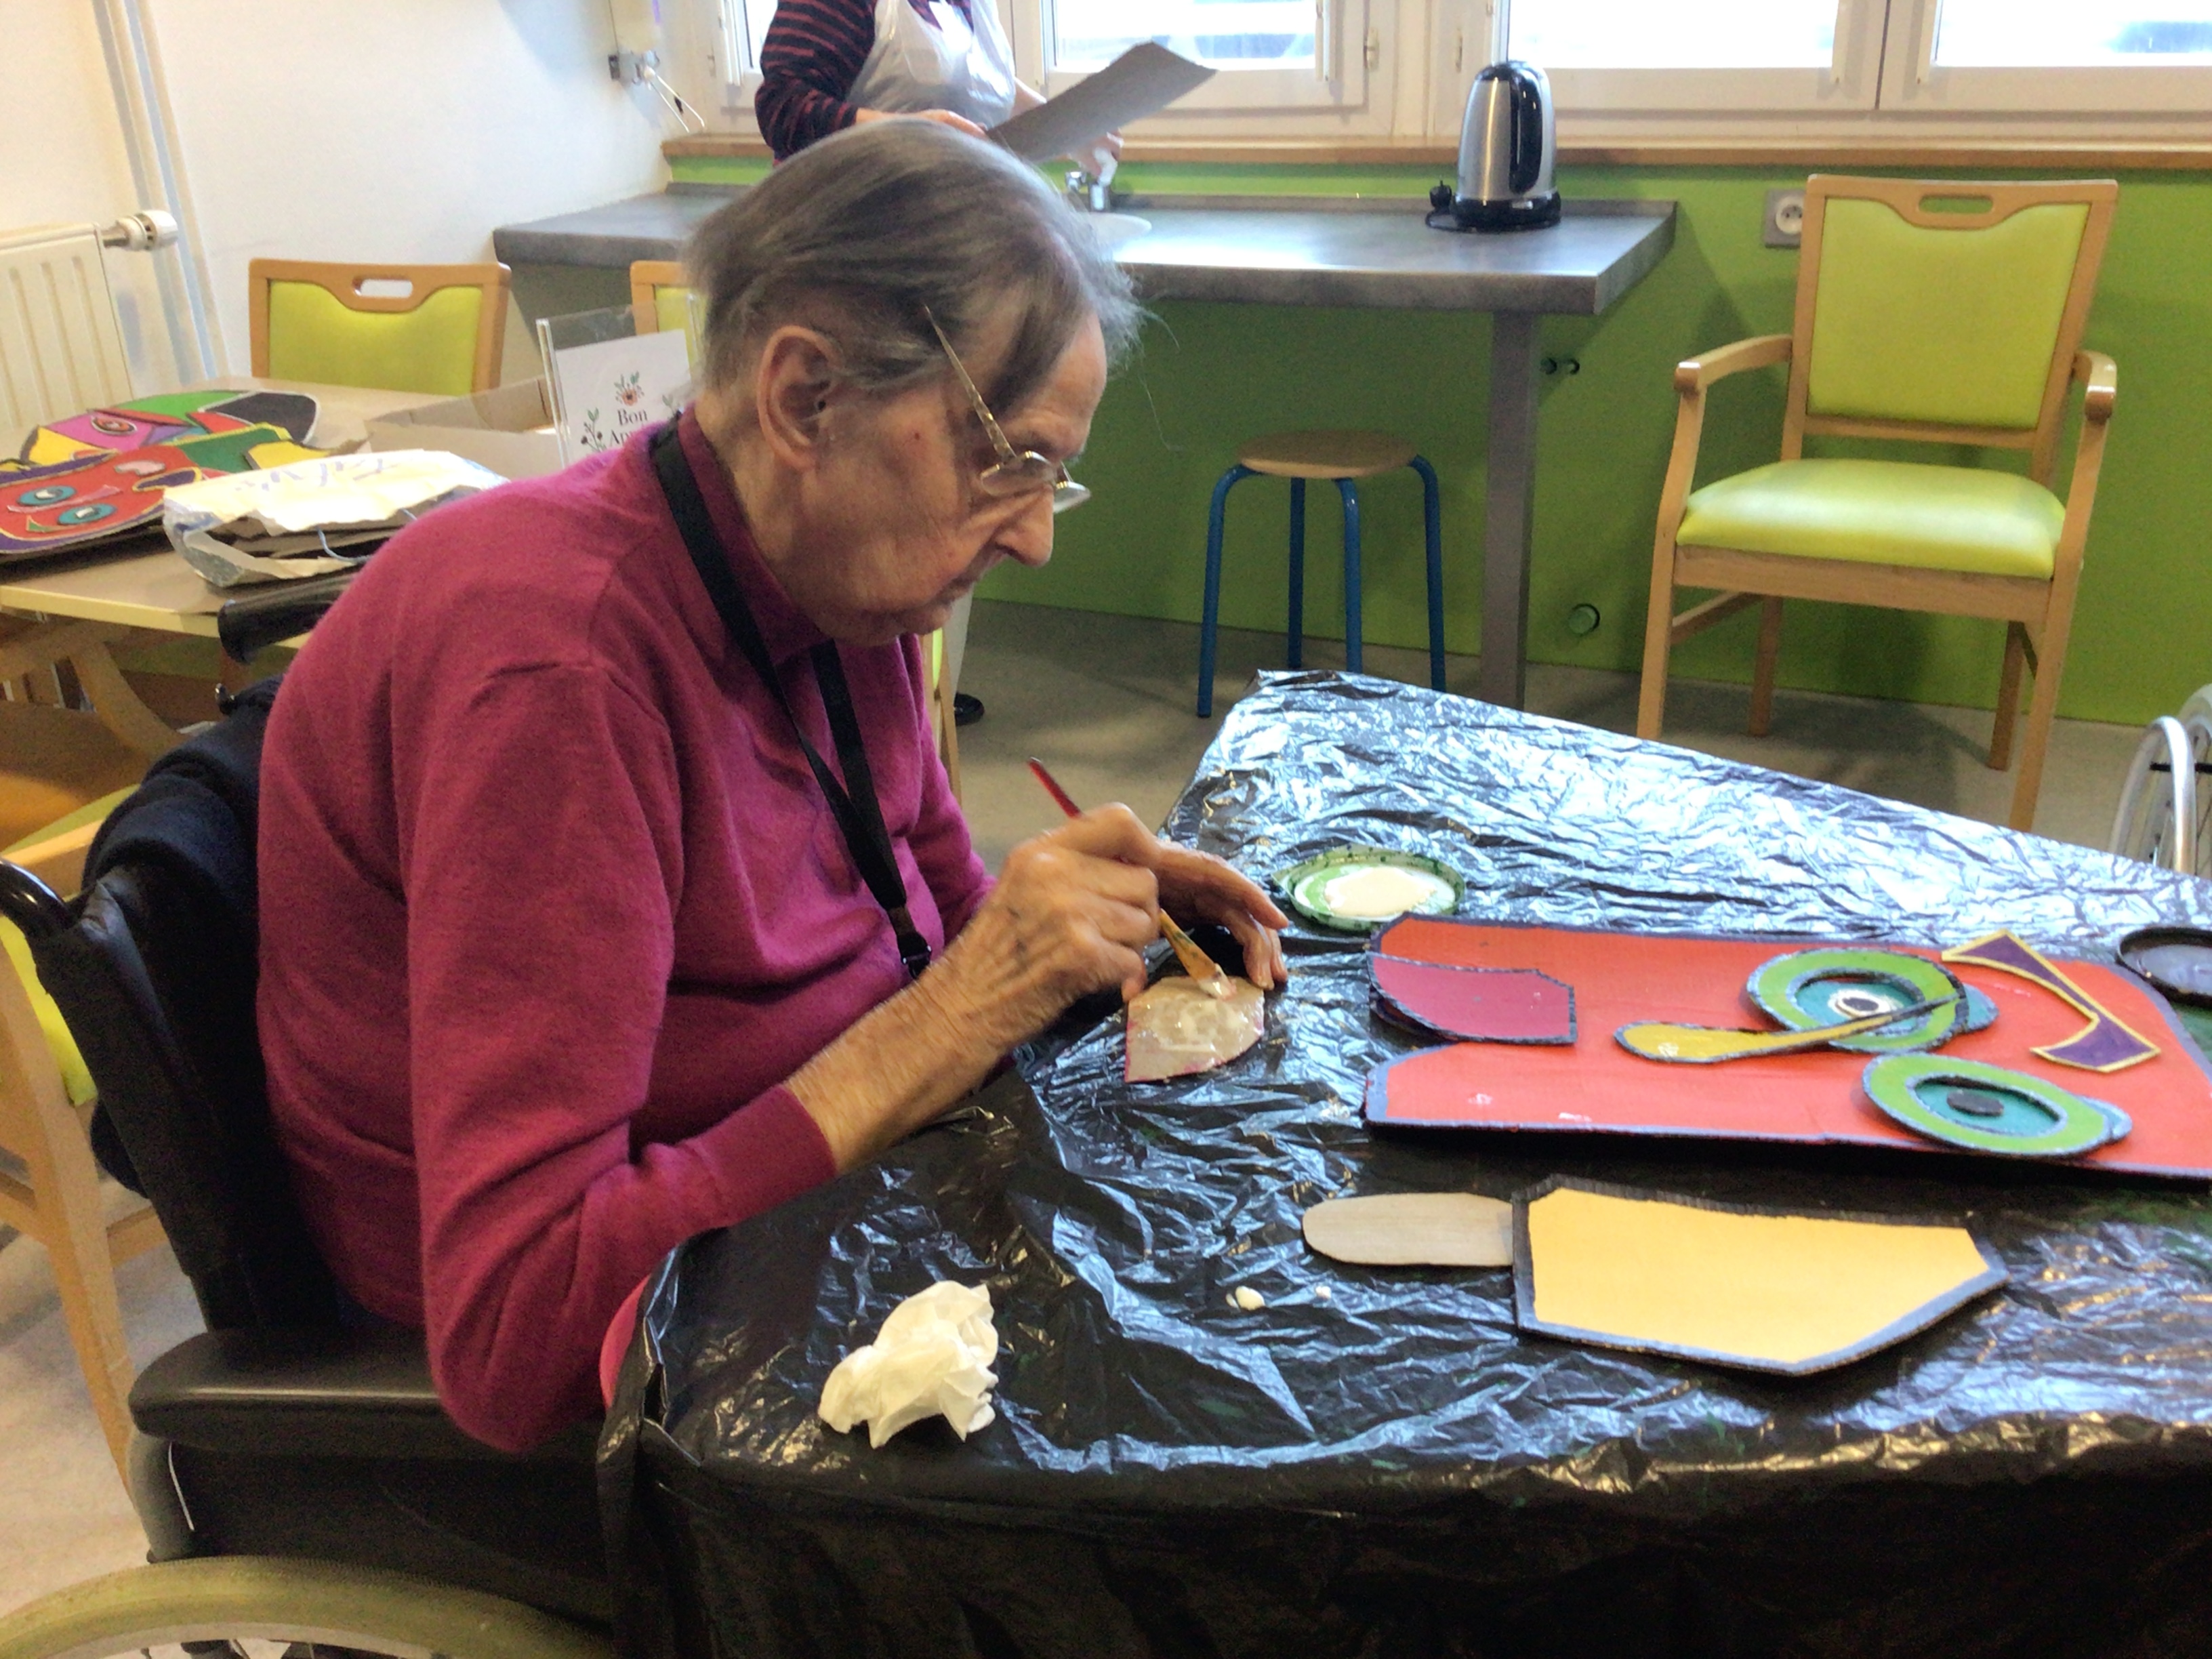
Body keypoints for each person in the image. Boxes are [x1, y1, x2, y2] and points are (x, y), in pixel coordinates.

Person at [255, 120, 1286, 1455]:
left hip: (796, 1198)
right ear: (807, 398)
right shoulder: (558, 673)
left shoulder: (835, 579)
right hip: (612, 1361)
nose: (1035, 536)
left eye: (1054, 474)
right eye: (1010, 459)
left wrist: (1079, 935)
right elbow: (515, 1342)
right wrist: (958, 1009)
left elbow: (933, 932)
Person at [756, 0, 1119, 173]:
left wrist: (1069, 128)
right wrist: (911, 132)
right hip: (843, 240)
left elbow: (976, 83)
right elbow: (781, 106)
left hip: (933, 228)